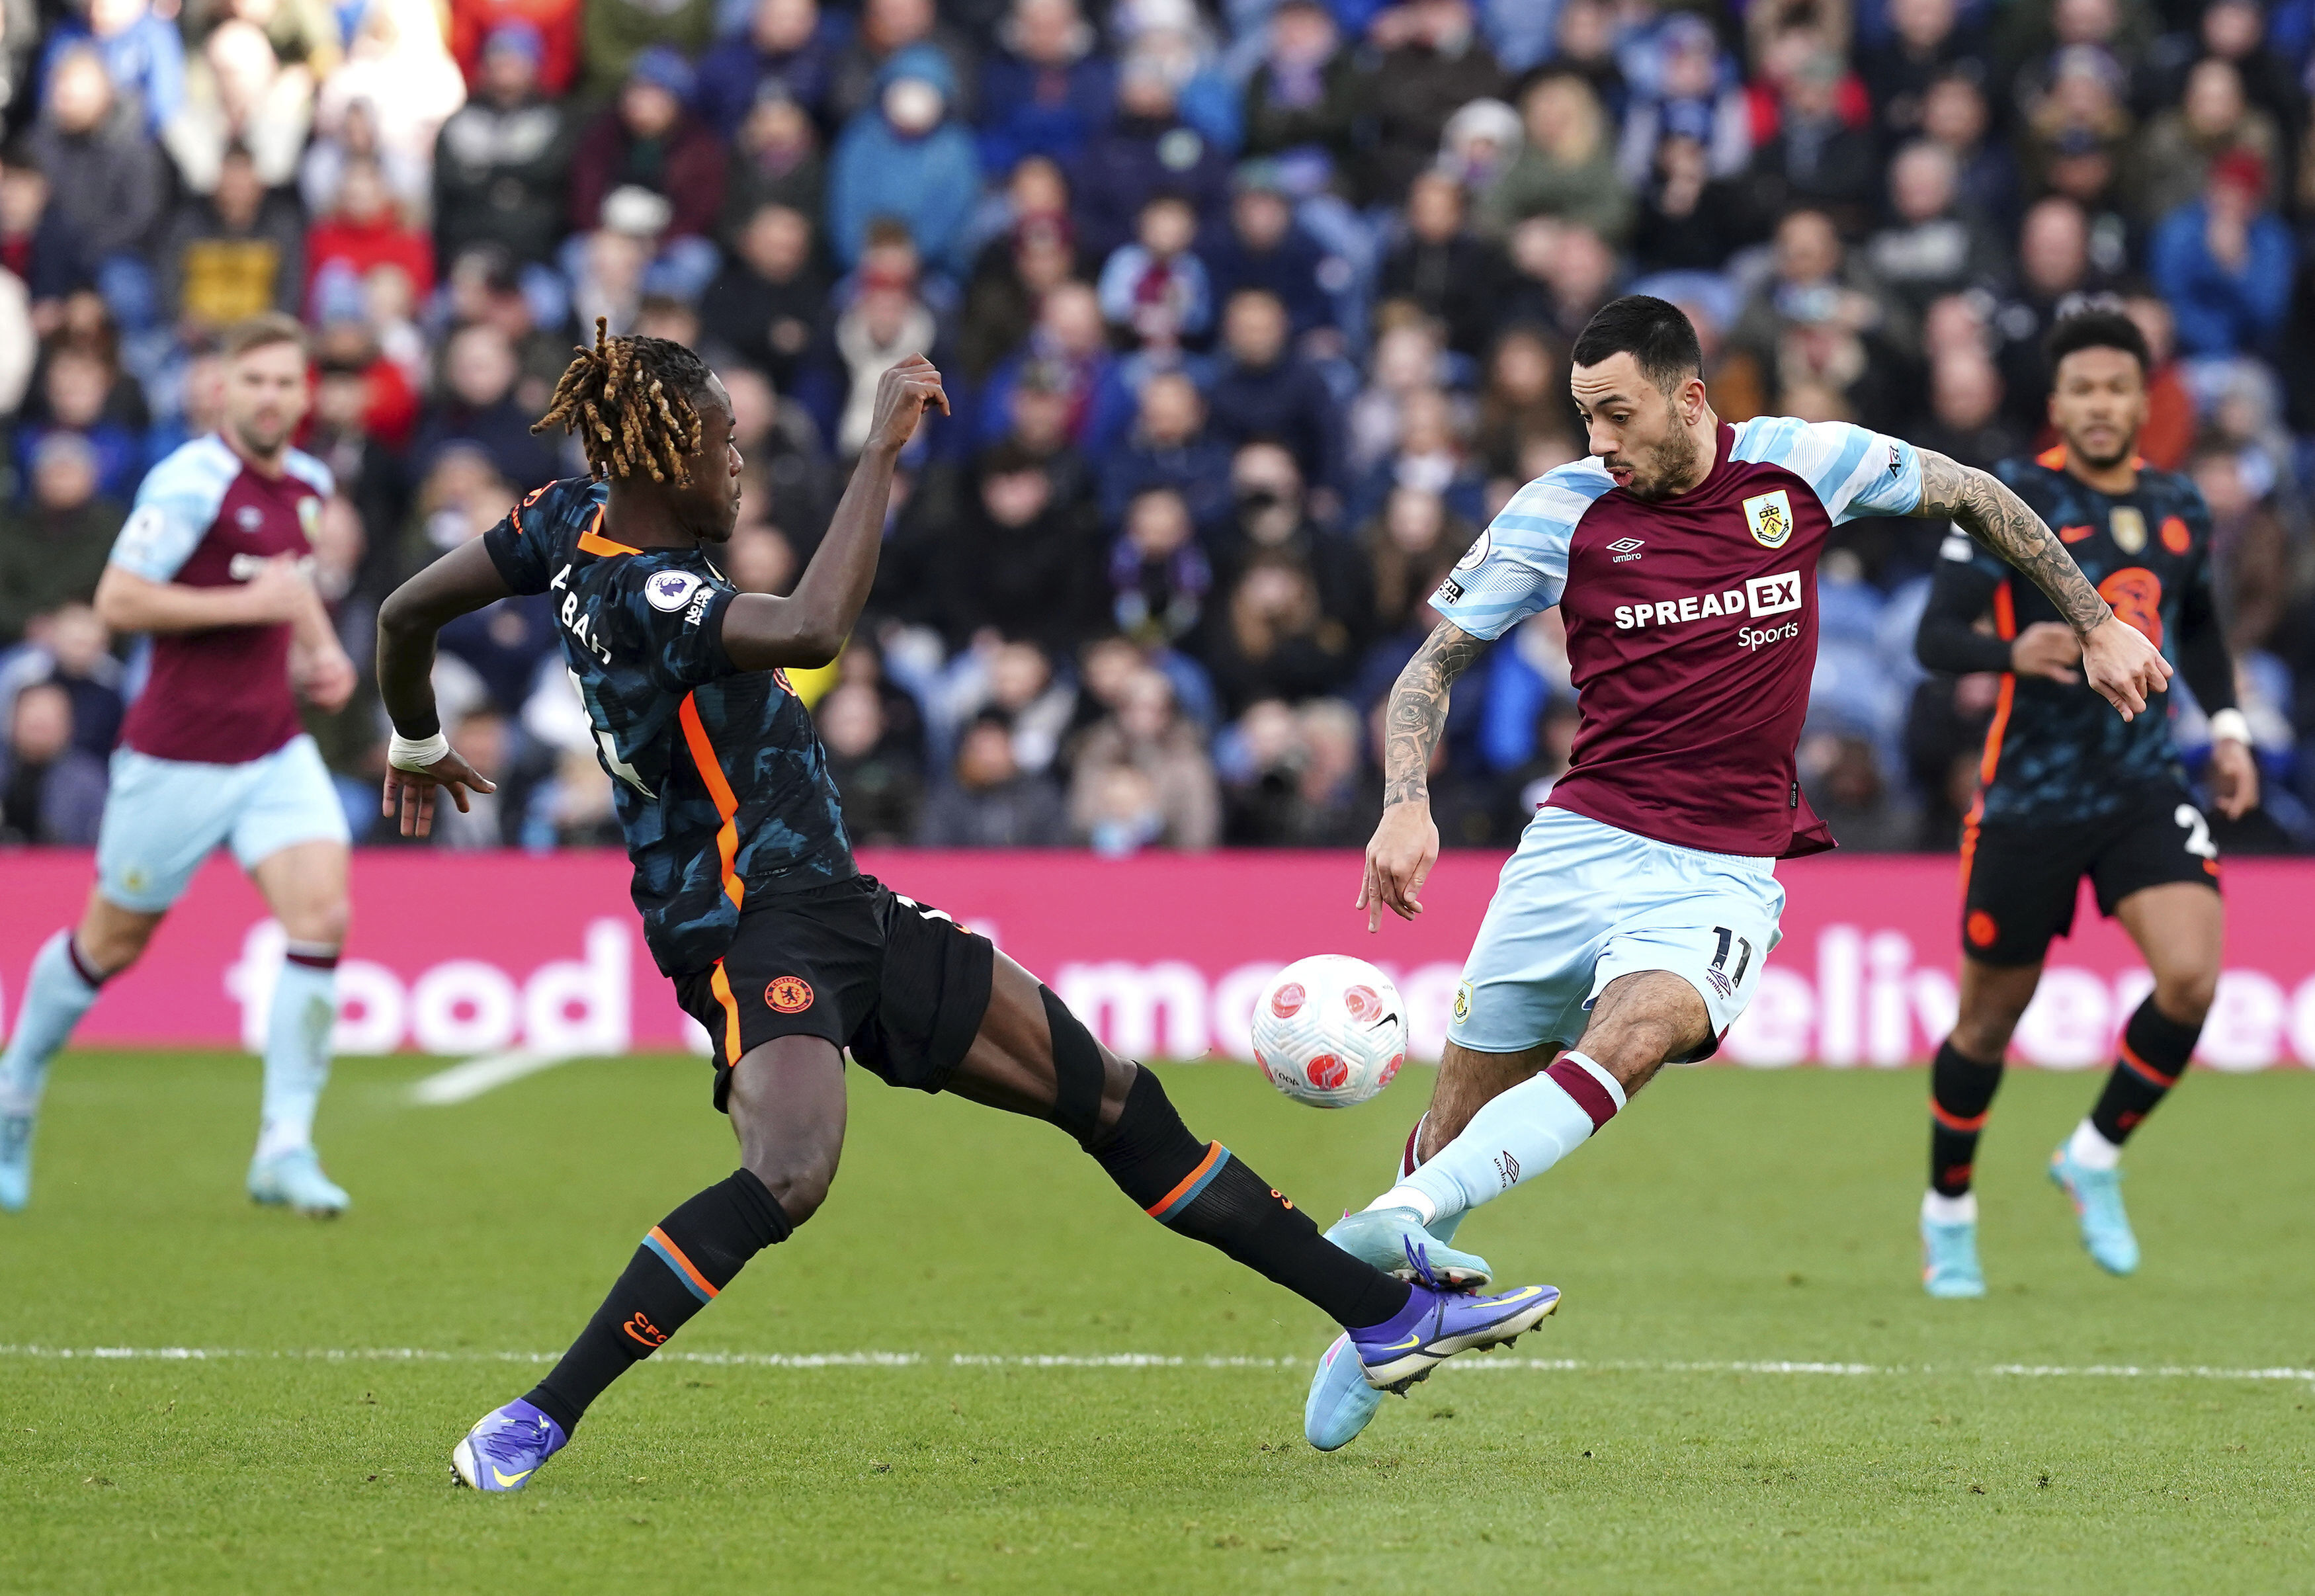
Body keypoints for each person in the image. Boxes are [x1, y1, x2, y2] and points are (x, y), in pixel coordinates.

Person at [372, 325, 1562, 1491]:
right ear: (665, 453)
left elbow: (402, 617)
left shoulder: (560, 523)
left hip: (837, 906)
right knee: (790, 1171)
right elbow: (815, 629)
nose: (739, 463)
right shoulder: (652, 589)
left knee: (1113, 1099)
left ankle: (1382, 1316)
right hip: (746, 926)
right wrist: (880, 451)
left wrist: (417, 736)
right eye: (725, 444)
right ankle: (541, 1413)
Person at [1300, 295, 2170, 1452]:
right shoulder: (1559, 509)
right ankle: (1382, 1298)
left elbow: (1978, 493)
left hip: (1717, 868)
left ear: (1690, 396)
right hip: (1574, 847)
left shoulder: (1803, 466)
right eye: (1584, 416)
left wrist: (2095, 616)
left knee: (1644, 1030)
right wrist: (1405, 802)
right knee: (1459, 1112)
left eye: (1616, 413)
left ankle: (1390, 1223)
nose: (1598, 439)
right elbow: (1431, 667)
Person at [1911, 311, 2255, 1298]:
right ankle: (1950, 1213)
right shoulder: (2016, 496)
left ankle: (2095, 1153)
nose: (2101, 405)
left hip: (2144, 786)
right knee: (1987, 1025)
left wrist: (2227, 730)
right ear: (2057, 402)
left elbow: (2201, 628)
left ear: (2144, 401)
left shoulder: (2181, 504)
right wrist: (2008, 651)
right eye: (2083, 390)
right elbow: (1935, 638)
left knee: (2191, 978)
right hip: (2029, 796)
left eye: (2117, 388)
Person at [0, 314, 359, 1215]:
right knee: (109, 942)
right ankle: (15, 1089)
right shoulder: (191, 480)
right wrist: (248, 606)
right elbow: (118, 600)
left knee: (322, 914)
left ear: (304, 394)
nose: (271, 396)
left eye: (286, 381)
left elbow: (290, 582)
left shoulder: (310, 482)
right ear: (223, 391)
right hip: (178, 755)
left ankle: (285, 1144)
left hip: (274, 745)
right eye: (255, 381)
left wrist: (318, 647)